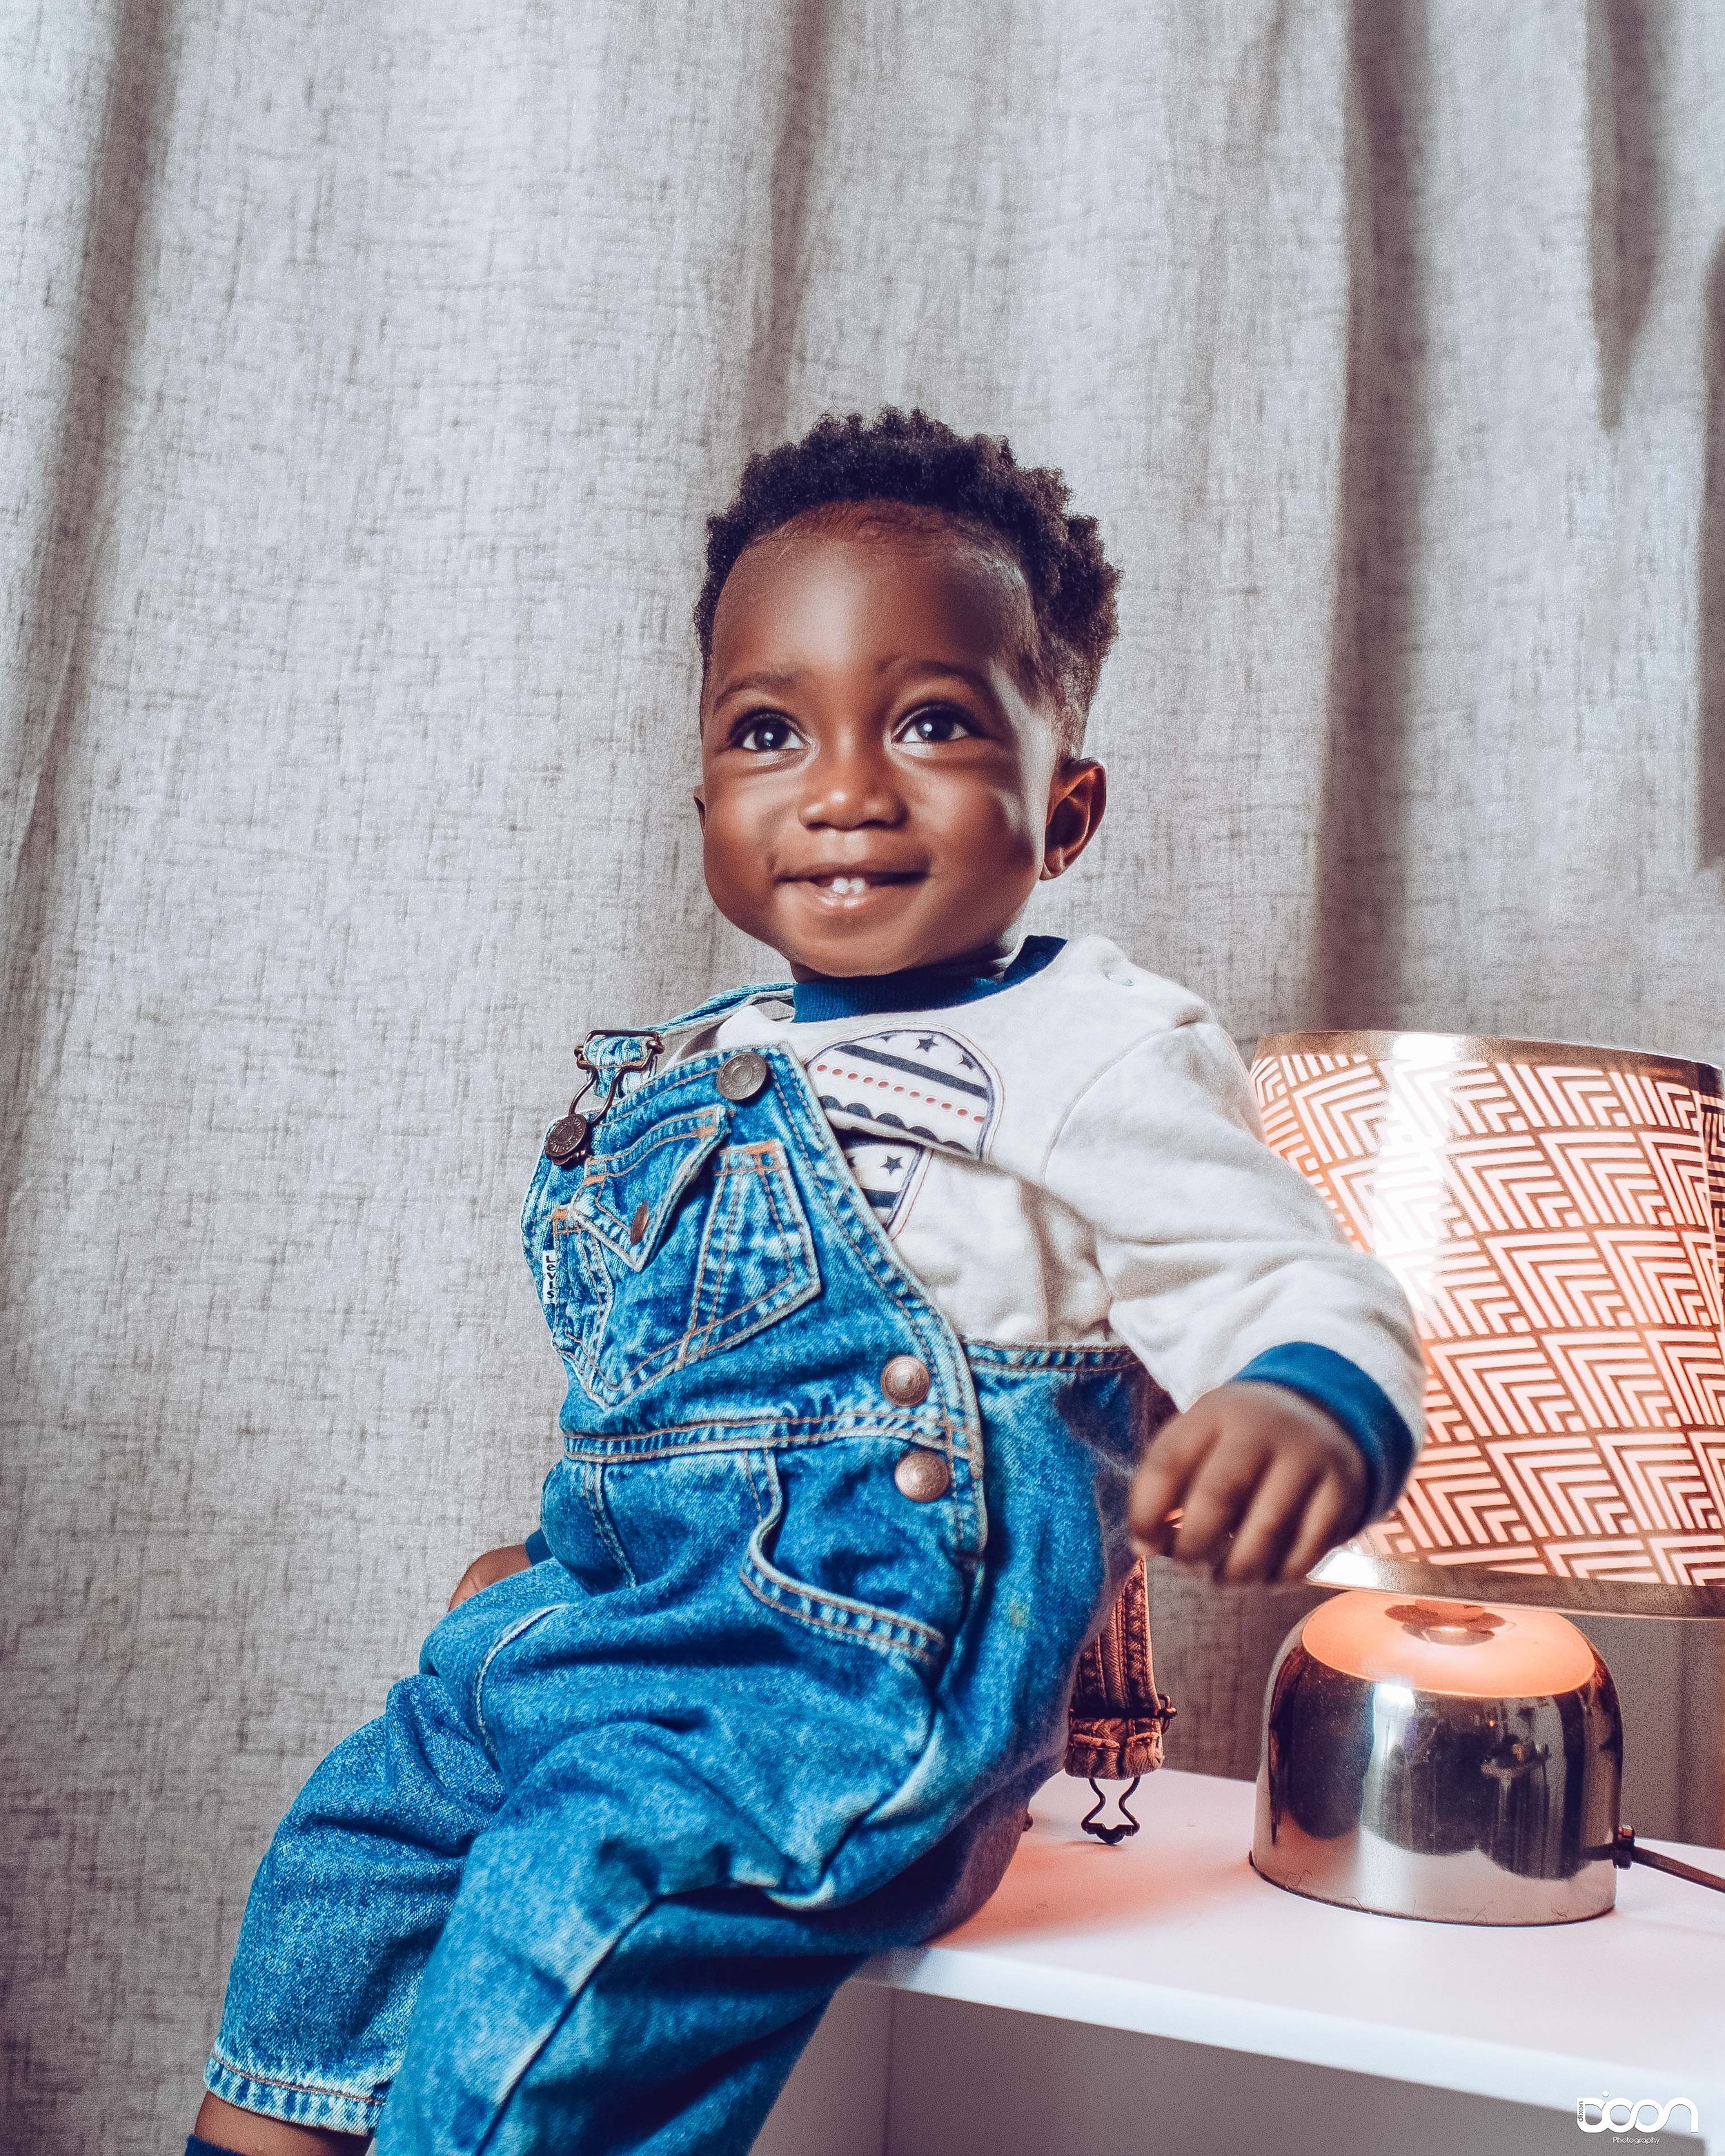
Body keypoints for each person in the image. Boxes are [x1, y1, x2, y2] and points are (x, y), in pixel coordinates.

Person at [190, 409, 1423, 2156]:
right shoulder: (694, 1060)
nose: (843, 784)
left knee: (584, 1901)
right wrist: (574, 1559)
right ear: (705, 797)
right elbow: (673, 1402)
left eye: (928, 721)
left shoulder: (1082, 1046)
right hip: (609, 1636)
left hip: (844, 1696)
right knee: (348, 1860)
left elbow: (1291, 1269)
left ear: (1060, 807)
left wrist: (1306, 1389)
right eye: (771, 729)